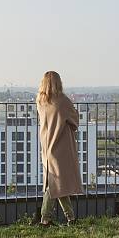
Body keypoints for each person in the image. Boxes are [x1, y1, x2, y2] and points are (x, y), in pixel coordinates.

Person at [36, 71, 82, 226]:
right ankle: (45, 218)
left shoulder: (40, 101)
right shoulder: (63, 101)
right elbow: (75, 121)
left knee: (55, 183)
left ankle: (69, 218)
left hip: (46, 145)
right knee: (55, 183)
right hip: (61, 147)